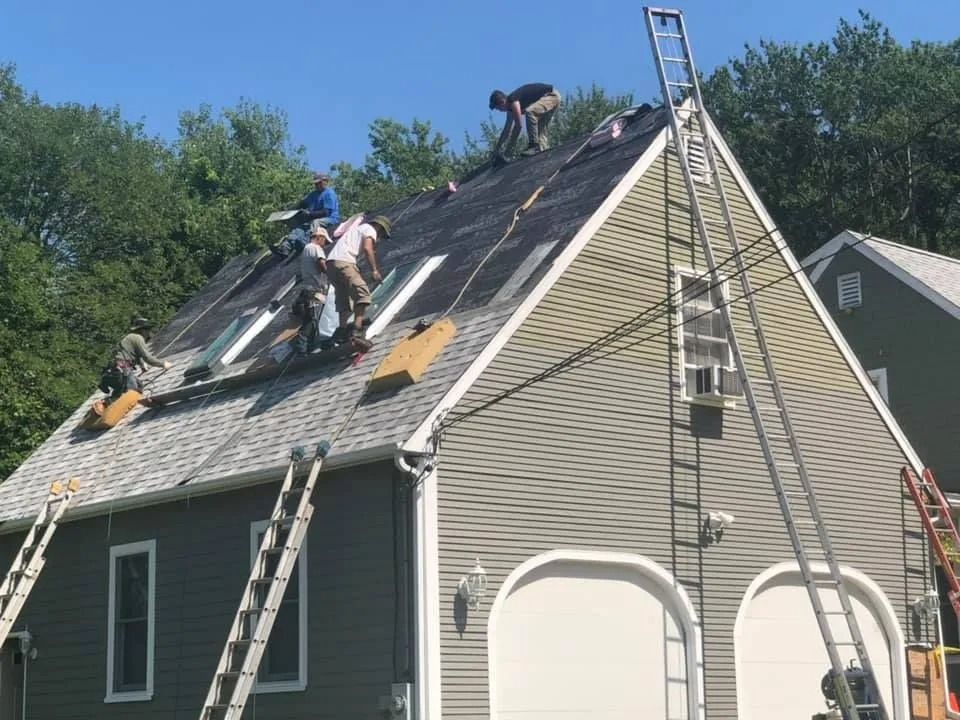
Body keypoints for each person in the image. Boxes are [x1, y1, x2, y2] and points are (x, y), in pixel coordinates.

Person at [325, 215, 392, 345]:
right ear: (379, 226)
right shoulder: (370, 229)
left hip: (331, 266)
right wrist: (374, 270)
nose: (379, 237)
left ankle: (341, 331)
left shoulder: (357, 230)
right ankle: (357, 329)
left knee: (343, 299)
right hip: (344, 261)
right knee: (363, 294)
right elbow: (367, 248)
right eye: (382, 233)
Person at [99, 316, 172, 401]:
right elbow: (147, 357)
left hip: (116, 369)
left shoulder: (131, 337)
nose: (149, 333)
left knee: (138, 386)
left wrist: (142, 364)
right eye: (148, 330)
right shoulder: (138, 338)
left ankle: (110, 400)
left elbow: (136, 353)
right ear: (142, 330)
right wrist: (163, 364)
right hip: (123, 368)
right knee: (133, 392)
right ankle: (115, 405)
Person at [489, 83, 562, 161]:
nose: (499, 111)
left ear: (502, 102)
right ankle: (544, 159)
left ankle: (534, 146)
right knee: (539, 135)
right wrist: (497, 150)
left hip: (551, 96)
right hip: (546, 100)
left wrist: (508, 153)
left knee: (530, 112)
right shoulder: (510, 109)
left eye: (498, 108)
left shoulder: (513, 101)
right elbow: (507, 130)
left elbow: (518, 126)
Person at [274, 172, 341, 256]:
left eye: (319, 183)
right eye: (316, 183)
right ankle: (285, 247)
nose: (317, 185)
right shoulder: (313, 194)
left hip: (330, 219)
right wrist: (287, 212)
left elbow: (326, 212)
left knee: (315, 222)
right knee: (300, 228)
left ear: (325, 181)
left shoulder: (329, 193)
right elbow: (302, 204)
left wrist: (309, 214)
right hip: (312, 218)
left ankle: (305, 242)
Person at [292, 221, 331, 353]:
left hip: (308, 289)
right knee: (314, 319)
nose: (325, 245)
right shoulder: (315, 248)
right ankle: (303, 346)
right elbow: (321, 264)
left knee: (312, 318)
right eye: (325, 241)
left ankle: (307, 346)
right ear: (320, 237)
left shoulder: (306, 249)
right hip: (314, 290)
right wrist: (332, 274)